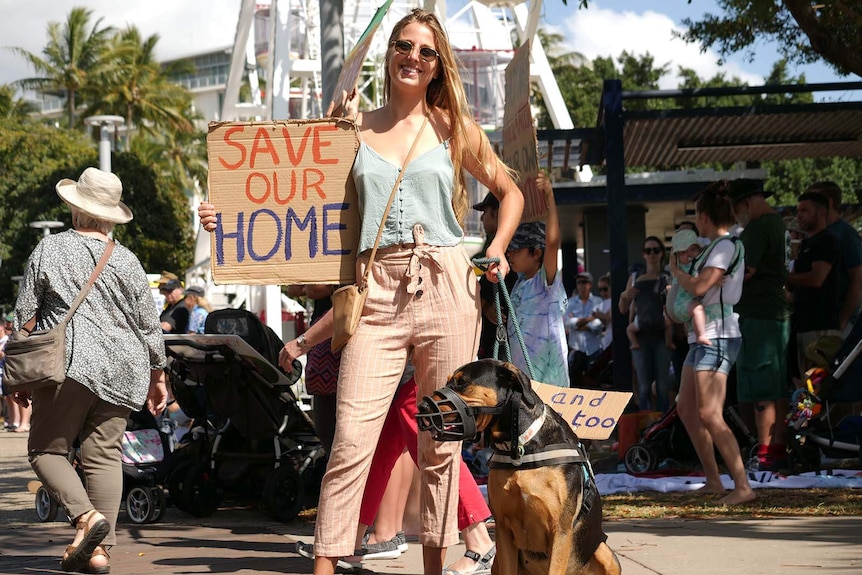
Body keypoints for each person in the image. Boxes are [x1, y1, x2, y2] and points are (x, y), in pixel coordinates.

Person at [199, 10, 524, 575]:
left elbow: (510, 191)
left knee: (440, 443)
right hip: (374, 287)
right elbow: (295, 202)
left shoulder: (452, 128)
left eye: (426, 52)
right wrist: (225, 216)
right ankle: (327, 562)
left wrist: (495, 247)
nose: (414, 57)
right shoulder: (352, 133)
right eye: (405, 45)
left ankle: (434, 563)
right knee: (350, 438)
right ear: (389, 53)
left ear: (437, 65)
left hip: (446, 281)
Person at [11, 167, 167, 573]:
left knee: (45, 450)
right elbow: (150, 325)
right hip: (125, 369)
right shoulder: (129, 261)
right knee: (104, 457)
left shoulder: (50, 249)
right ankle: (99, 553)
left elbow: (25, 316)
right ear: (110, 216)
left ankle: (85, 518)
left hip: (70, 364)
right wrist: (159, 375)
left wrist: (22, 374)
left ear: (76, 209)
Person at [668, 180, 753, 505]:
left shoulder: (725, 246)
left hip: (718, 337)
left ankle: (742, 485)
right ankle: (715, 480)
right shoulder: (717, 246)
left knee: (709, 413)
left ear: (704, 216)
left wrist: (677, 272)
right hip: (703, 338)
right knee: (687, 409)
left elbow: (701, 286)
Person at [728, 179, 791, 471]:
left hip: (758, 315)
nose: (735, 214)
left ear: (746, 203)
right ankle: (774, 447)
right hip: (771, 314)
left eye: (735, 207)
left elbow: (746, 271)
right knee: (773, 384)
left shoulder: (758, 227)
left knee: (761, 385)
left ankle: (765, 451)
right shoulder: (776, 223)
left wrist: (713, 281)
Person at [506, 173, 567, 386]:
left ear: (536, 253)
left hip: (548, 384)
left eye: (515, 249)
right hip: (524, 383)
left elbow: (552, 242)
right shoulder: (519, 283)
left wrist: (549, 197)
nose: (509, 254)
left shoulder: (546, 283)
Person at [786, 191, 840, 378]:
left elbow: (817, 278)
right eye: (798, 210)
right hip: (802, 324)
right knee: (803, 385)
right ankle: (806, 409)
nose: (799, 215)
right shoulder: (806, 243)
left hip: (820, 326)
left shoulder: (826, 241)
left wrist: (784, 277)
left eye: (804, 210)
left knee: (817, 384)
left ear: (821, 213)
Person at [619, 237, 673, 412]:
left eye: (656, 250)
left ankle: (662, 429)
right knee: (643, 387)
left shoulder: (668, 277)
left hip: (662, 335)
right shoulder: (634, 278)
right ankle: (646, 430)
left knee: (663, 387)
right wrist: (624, 295)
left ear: (661, 253)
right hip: (641, 337)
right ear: (643, 254)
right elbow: (623, 309)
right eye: (648, 250)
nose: (652, 254)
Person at [807, 181, 862, 336]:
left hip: (837, 326)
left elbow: (857, 280)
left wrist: (842, 320)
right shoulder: (819, 234)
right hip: (816, 323)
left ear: (829, 202)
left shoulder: (845, 235)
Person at [473, 192, 517, 359]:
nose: (482, 219)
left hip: (507, 346)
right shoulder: (493, 248)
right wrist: (486, 307)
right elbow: (482, 291)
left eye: (485, 212)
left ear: (497, 213)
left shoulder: (510, 252)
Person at [665, 229, 708, 345]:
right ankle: (701, 335)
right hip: (682, 304)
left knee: (694, 315)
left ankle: (693, 334)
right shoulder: (683, 269)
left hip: (680, 306)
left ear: (699, 250)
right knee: (698, 310)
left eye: (692, 249)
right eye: (683, 252)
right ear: (676, 257)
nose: (688, 255)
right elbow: (701, 283)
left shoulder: (679, 269)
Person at [564, 271, 603, 387]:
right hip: (576, 349)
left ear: (590, 284)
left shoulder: (598, 301)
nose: (581, 285)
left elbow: (598, 324)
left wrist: (577, 322)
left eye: (584, 282)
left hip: (594, 349)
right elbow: (567, 322)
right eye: (579, 282)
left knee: (593, 384)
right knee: (575, 383)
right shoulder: (570, 302)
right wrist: (589, 319)